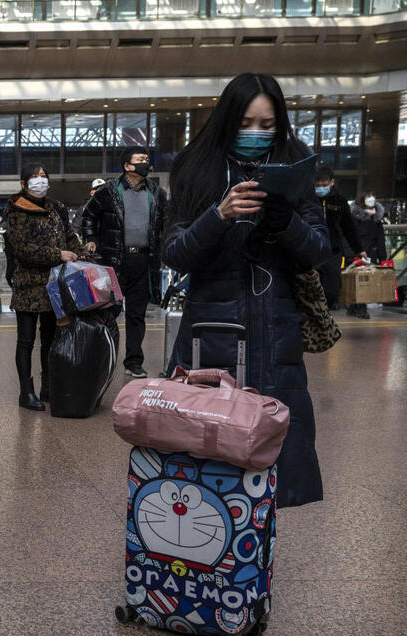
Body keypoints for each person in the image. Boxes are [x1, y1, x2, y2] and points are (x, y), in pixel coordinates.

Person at [163, 72, 327, 509]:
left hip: (276, 339)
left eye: (268, 124)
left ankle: (254, 563)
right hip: (211, 338)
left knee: (275, 473)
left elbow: (319, 250)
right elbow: (175, 252)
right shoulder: (197, 167)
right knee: (206, 474)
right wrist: (219, 215)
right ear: (227, 119)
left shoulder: (295, 164)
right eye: (246, 123)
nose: (257, 134)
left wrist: (285, 221)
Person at [4, 162, 90, 411]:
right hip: (28, 285)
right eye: (34, 177)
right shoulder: (16, 209)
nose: (40, 181)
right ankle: (26, 392)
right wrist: (58, 254)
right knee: (26, 341)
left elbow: (69, 237)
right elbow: (23, 249)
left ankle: (48, 387)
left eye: (44, 176)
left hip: (55, 285)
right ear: (23, 184)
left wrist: (81, 252)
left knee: (51, 339)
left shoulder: (57, 208)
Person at [81, 147, 168, 378]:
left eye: (147, 160)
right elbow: (89, 215)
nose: (146, 164)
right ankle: (104, 359)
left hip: (144, 260)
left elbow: (165, 225)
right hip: (115, 261)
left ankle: (133, 362)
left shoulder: (157, 193)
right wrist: (90, 239)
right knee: (110, 312)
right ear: (127, 166)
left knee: (137, 314)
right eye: (140, 160)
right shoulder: (109, 190)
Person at [313, 165, 364, 308]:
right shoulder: (308, 198)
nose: (320, 188)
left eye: (324, 184)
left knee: (332, 290)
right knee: (310, 289)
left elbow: (349, 228)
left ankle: (326, 311)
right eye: (317, 185)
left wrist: (359, 249)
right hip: (311, 250)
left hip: (333, 251)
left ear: (332, 182)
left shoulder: (339, 201)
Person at [347, 191, 388, 319]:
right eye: (368, 198)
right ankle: (360, 308)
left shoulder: (376, 218)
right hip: (357, 253)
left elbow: (380, 238)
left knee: (365, 282)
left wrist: (382, 257)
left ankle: (356, 307)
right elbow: (348, 235)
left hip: (370, 253)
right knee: (359, 282)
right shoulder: (354, 216)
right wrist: (350, 253)